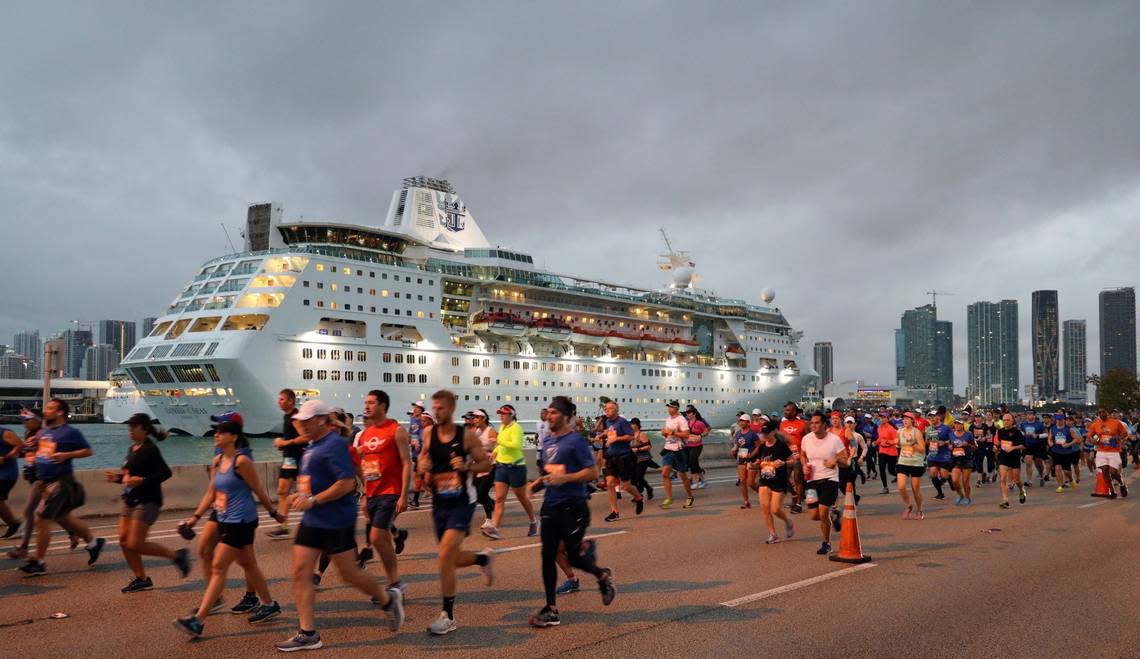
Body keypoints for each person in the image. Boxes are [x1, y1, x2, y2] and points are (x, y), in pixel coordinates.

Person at [275, 399, 404, 651]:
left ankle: (388, 600)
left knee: (349, 574)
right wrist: (299, 495)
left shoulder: (334, 445)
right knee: (300, 572)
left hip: (336, 520)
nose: (300, 423)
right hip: (313, 520)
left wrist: (314, 499)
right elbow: (311, 481)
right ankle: (308, 633)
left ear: (322, 419)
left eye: (306, 419)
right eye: (299, 419)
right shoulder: (313, 446)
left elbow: (347, 483)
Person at [174, 419, 286, 638]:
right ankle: (269, 604)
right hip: (225, 518)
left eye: (221, 432)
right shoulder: (217, 461)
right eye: (216, 432)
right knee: (248, 563)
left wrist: (274, 514)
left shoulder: (241, 461)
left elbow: (258, 489)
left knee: (218, 566)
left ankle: (198, 621)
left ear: (233, 437)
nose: (216, 435)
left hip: (242, 521)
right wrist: (194, 518)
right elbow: (211, 492)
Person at [528, 396, 616, 628]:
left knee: (574, 557)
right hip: (551, 505)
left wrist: (565, 478)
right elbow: (551, 472)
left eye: (555, 413)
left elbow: (591, 473)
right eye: (548, 412)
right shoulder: (547, 441)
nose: (550, 416)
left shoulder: (576, 441)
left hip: (573, 507)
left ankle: (602, 576)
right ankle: (551, 609)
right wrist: (538, 484)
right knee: (547, 555)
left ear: (567, 417)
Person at [417, 389, 494, 635]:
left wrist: (468, 466)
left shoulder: (467, 436)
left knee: (444, 556)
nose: (436, 412)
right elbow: (422, 459)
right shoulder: (429, 433)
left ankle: (448, 616)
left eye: (440, 408)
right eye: (434, 407)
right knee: (450, 557)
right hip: (440, 501)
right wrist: (423, 467)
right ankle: (482, 559)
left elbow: (486, 463)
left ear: (450, 409)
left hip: (463, 501)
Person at [18, 398, 105, 576]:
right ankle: (94, 543)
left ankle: (39, 562)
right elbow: (37, 451)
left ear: (59, 413)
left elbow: (88, 451)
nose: (46, 411)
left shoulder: (70, 432)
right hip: (44, 483)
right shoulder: (44, 432)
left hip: (61, 483)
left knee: (41, 519)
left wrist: (67, 455)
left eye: (50, 408)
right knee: (64, 518)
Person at [108, 413, 189, 592]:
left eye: (133, 426)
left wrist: (143, 480)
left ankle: (176, 555)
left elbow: (165, 473)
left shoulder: (150, 449)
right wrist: (117, 478)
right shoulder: (132, 449)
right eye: (129, 426)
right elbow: (130, 476)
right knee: (123, 540)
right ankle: (141, 578)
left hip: (147, 500)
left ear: (144, 429)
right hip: (129, 499)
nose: (129, 430)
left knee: (135, 543)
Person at [350, 389, 412, 596]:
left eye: (371, 403)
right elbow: (364, 465)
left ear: (383, 406)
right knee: (382, 538)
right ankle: (395, 582)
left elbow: (406, 463)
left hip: (391, 491)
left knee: (376, 536)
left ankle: (395, 583)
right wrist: (366, 494)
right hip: (373, 493)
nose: (366, 406)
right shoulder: (366, 434)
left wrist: (404, 495)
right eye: (365, 402)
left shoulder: (396, 430)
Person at [483, 404, 538, 540]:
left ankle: (534, 521)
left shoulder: (516, 428)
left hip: (516, 468)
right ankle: (495, 528)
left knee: (522, 498)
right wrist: (494, 453)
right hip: (501, 467)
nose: (501, 416)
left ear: (511, 415)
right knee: (500, 499)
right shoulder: (502, 427)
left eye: (503, 414)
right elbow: (501, 445)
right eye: (500, 413)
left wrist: (498, 439)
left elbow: (517, 445)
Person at [800, 411, 850, 556]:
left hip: (830, 479)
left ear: (823, 424)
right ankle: (834, 514)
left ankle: (826, 543)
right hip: (811, 480)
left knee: (822, 512)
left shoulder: (834, 440)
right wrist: (803, 465)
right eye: (811, 423)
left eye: (816, 423)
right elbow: (803, 455)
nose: (813, 425)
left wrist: (835, 460)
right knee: (814, 515)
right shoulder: (806, 439)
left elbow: (846, 462)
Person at [268, 389, 307, 540]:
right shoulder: (286, 416)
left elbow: (305, 437)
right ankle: (284, 526)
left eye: (282, 399)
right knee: (282, 491)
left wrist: (285, 442)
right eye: (279, 399)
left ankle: (322, 519)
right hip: (289, 459)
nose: (279, 401)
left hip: (298, 459)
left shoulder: (295, 418)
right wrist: (282, 445)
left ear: (291, 401)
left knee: (305, 491)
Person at [600, 401, 645, 521]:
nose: (606, 411)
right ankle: (614, 512)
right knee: (609, 484)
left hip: (624, 457)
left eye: (609, 409)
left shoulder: (622, 422)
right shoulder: (608, 421)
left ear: (616, 410)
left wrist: (616, 439)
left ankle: (639, 498)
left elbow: (631, 436)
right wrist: (602, 436)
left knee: (626, 486)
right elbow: (610, 433)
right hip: (611, 456)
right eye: (605, 409)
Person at [754, 420, 794, 544]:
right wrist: (753, 465)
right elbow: (759, 463)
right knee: (765, 508)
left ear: (773, 432)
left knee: (775, 509)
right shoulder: (762, 446)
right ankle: (773, 534)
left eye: (766, 433)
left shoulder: (781, 446)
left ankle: (788, 521)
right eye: (762, 433)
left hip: (779, 481)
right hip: (765, 480)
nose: (764, 435)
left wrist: (784, 463)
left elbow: (793, 460)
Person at [465, 410, 498, 529]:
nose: (474, 420)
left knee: (482, 493)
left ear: (483, 418)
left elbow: (499, 445)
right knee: (476, 493)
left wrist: (493, 450)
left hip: (491, 466)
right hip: (478, 466)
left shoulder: (491, 431)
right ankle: (491, 503)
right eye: (473, 418)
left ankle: (489, 519)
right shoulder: (476, 431)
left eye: (477, 418)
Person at [1088, 408, 1129, 498]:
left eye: (1103, 412)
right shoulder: (1095, 424)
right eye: (1099, 412)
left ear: (1108, 413)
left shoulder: (1116, 422)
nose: (1101, 414)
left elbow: (1125, 433)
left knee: (1113, 472)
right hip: (1101, 451)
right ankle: (1112, 492)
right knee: (1104, 471)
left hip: (1113, 451)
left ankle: (1122, 485)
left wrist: (1117, 439)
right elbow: (1090, 436)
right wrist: (1095, 440)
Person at [659, 400, 694, 509]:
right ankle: (669, 498)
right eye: (668, 407)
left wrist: (673, 432)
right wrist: (664, 433)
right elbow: (668, 435)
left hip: (679, 450)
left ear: (676, 409)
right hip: (668, 449)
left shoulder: (681, 419)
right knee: (665, 473)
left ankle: (689, 496)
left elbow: (687, 434)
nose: (669, 409)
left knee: (682, 475)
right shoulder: (668, 420)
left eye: (671, 407)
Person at [895, 412, 927, 520]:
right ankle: (908, 506)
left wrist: (912, 443)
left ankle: (920, 510)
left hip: (915, 463)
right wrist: (895, 442)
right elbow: (898, 443)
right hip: (903, 461)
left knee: (915, 489)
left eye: (908, 419)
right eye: (904, 419)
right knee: (901, 486)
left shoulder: (916, 432)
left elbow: (923, 450)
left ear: (912, 420)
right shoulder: (899, 431)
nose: (905, 421)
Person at [778, 402, 808, 513]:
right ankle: (795, 495)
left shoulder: (803, 424)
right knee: (783, 479)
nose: (785, 412)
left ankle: (798, 504)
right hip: (786, 456)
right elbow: (780, 440)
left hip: (798, 456)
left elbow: (808, 439)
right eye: (785, 410)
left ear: (794, 411)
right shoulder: (782, 424)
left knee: (798, 479)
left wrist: (805, 456)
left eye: (788, 410)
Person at [996, 413, 1028, 509]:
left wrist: (1013, 448)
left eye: (1008, 420)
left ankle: (1022, 490)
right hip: (1003, 457)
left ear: (1012, 421)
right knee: (1002, 479)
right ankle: (1005, 500)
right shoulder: (1000, 431)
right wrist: (996, 446)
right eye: (1004, 420)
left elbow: (1023, 445)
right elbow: (999, 443)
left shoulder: (1017, 432)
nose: (1006, 422)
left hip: (1014, 457)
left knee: (1016, 480)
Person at [730, 414, 759, 508]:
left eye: (743, 421)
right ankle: (746, 502)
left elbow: (758, 446)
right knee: (742, 480)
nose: (741, 422)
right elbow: (738, 445)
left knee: (751, 483)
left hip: (751, 459)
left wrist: (752, 454)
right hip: (742, 458)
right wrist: (734, 449)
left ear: (748, 422)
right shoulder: (738, 433)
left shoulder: (752, 434)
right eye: (740, 421)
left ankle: (763, 493)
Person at [946, 418, 976, 505]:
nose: (957, 426)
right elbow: (950, 444)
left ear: (963, 425)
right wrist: (950, 447)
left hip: (967, 459)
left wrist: (968, 445)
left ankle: (968, 498)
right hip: (956, 460)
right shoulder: (951, 434)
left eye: (959, 424)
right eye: (956, 424)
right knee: (954, 480)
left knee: (965, 481)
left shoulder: (968, 435)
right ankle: (960, 494)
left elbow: (975, 447)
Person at [1049, 414, 1081, 492]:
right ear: (1056, 420)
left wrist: (1068, 444)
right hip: (1056, 451)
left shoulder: (1069, 429)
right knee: (1057, 468)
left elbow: (1076, 439)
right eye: (1058, 420)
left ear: (1063, 420)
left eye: (1061, 420)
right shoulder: (1052, 429)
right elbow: (1049, 438)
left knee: (1066, 471)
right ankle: (1060, 485)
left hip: (1067, 452)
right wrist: (1050, 443)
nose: (1059, 421)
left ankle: (1071, 479)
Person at [0, 423, 21, 537]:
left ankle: (14, 524)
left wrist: (5, 457)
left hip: (7, 474)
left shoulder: (4, 433)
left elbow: (19, 445)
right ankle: (13, 524)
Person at [684, 406, 710, 489]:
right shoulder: (687, 423)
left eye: (689, 413)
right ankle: (703, 480)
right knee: (694, 463)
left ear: (694, 414)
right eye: (687, 413)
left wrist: (700, 435)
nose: (687, 414)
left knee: (692, 461)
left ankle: (695, 482)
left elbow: (706, 432)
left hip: (697, 446)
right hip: (688, 445)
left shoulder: (700, 423)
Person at [1020, 411, 1048, 488]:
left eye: (1031, 414)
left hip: (1038, 446)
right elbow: (1021, 432)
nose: (1029, 416)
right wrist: (1022, 434)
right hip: (1027, 446)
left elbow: (1046, 434)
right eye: (1028, 414)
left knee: (1038, 464)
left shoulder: (1040, 424)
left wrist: (1037, 436)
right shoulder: (1024, 424)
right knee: (1028, 462)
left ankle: (1042, 475)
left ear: (1034, 416)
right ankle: (1029, 481)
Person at [629, 417, 654, 499]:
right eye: (631, 424)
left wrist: (638, 449)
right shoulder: (631, 435)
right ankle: (639, 492)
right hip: (634, 459)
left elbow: (649, 446)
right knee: (633, 478)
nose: (631, 425)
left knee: (639, 477)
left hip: (643, 459)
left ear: (637, 425)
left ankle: (647, 489)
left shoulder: (641, 435)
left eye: (633, 424)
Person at [874, 411, 899, 495]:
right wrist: (876, 442)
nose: (882, 419)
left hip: (891, 452)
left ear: (888, 419)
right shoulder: (879, 428)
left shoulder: (892, 429)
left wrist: (889, 442)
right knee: (881, 469)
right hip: (882, 451)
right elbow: (880, 438)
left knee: (891, 471)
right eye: (881, 417)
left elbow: (896, 441)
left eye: (884, 417)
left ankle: (899, 476)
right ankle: (885, 487)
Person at [407, 402, 426, 509]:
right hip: (415, 452)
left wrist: (420, 442)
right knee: (418, 477)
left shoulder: (423, 420)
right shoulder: (413, 420)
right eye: (414, 407)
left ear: (422, 410)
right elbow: (411, 434)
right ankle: (415, 499)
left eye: (417, 408)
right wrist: (410, 440)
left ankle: (415, 500)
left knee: (421, 477)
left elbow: (424, 433)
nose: (415, 409)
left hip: (422, 453)